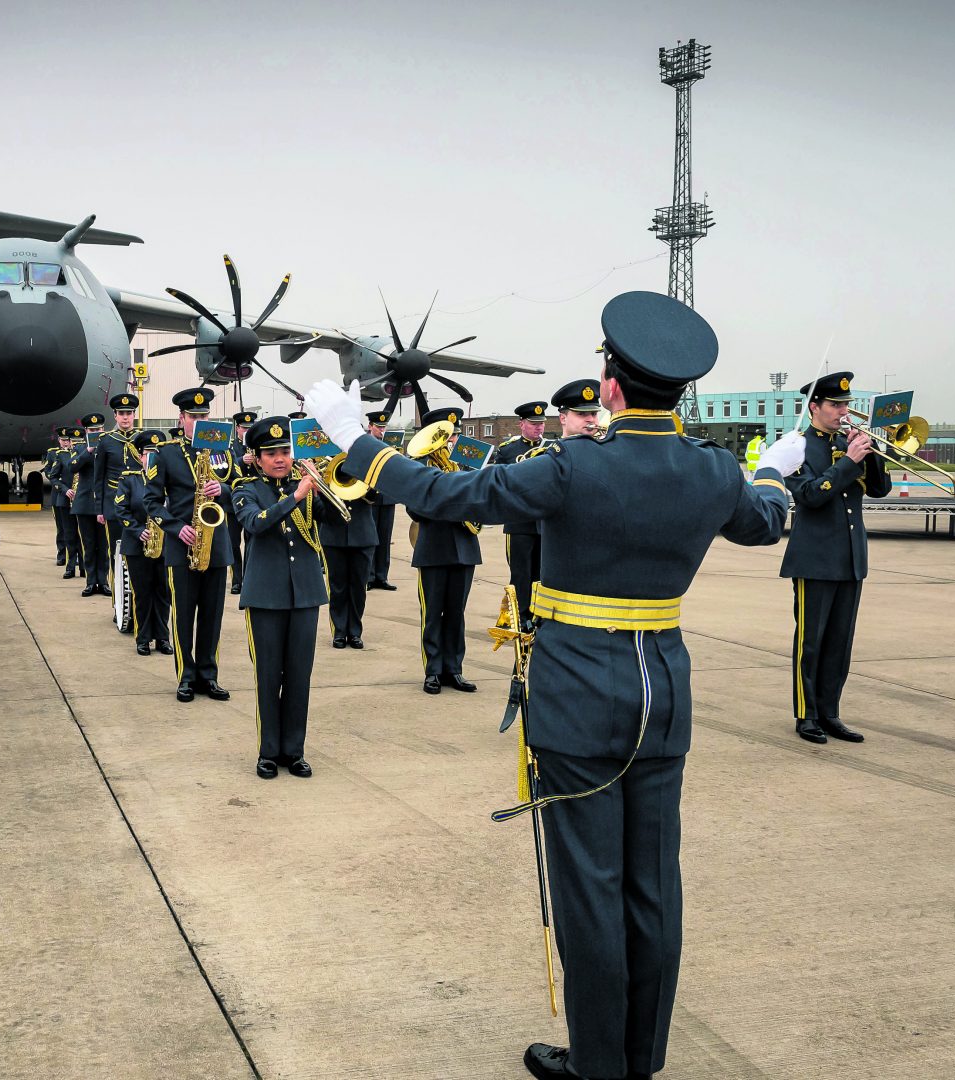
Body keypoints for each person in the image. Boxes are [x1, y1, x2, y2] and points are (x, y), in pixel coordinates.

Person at [305, 290, 798, 1080]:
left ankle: (599, 1063)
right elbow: (766, 517)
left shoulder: (570, 467)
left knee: (591, 888)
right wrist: (772, 469)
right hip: (664, 692)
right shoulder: (711, 470)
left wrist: (347, 436)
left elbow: (436, 494)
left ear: (610, 385)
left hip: (578, 697)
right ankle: (642, 1056)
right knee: (653, 884)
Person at [781, 371, 891, 745]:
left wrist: (874, 455)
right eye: (835, 405)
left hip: (849, 556)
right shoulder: (795, 446)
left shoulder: (852, 441)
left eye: (846, 404)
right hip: (814, 557)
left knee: (840, 642)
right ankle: (806, 714)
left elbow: (879, 490)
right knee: (810, 642)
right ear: (815, 406)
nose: (844, 411)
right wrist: (847, 461)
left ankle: (830, 712)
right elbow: (810, 494)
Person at [231, 417, 327, 778]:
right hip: (266, 596)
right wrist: (298, 495)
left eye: (285, 451)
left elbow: (334, 518)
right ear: (256, 458)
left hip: (304, 594)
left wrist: (323, 486)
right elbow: (255, 523)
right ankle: (268, 751)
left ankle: (294, 751)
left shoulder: (302, 484)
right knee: (269, 676)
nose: (280, 459)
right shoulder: (245, 488)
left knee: (300, 677)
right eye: (271, 453)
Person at [143, 387, 235, 703]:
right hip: (182, 545)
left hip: (217, 545)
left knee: (212, 616)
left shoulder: (223, 451)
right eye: (193, 417)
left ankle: (209, 676)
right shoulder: (166, 453)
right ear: (181, 418)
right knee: (183, 616)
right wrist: (175, 527)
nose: (199, 421)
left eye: (204, 416)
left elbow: (238, 491)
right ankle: (186, 676)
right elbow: (151, 501)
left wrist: (221, 488)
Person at [407, 407, 481, 694]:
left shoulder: (465, 465)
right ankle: (433, 670)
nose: (452, 443)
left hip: (464, 547)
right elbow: (414, 509)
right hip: (434, 547)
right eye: (447, 438)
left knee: (456, 613)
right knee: (432, 612)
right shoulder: (419, 465)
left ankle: (454, 668)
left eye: (455, 437)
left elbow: (481, 500)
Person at [491, 400, 551, 625]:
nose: (539, 428)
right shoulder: (509, 451)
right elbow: (498, 483)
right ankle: (518, 616)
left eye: (542, 424)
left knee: (540, 573)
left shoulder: (551, 448)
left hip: (542, 521)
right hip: (518, 522)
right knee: (520, 573)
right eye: (534, 423)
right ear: (521, 424)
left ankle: (536, 615)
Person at [114, 429, 173, 656]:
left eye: (157, 452)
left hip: (166, 544)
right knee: (142, 593)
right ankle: (143, 638)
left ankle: (162, 637)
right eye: (149, 452)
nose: (153, 457)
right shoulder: (130, 479)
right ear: (140, 456)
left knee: (163, 593)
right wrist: (138, 530)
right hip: (138, 545)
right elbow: (121, 509)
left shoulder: (169, 480)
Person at [316, 448, 377, 650]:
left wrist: (369, 482)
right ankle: (339, 631)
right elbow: (320, 502)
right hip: (334, 534)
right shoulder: (327, 464)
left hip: (362, 534)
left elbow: (378, 498)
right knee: (338, 585)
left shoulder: (369, 464)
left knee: (359, 587)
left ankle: (355, 631)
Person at [94, 393, 140, 586]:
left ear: (134, 415)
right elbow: (99, 477)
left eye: (129, 413)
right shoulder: (106, 441)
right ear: (115, 415)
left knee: (138, 556)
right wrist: (99, 509)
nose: (125, 417)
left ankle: (135, 602)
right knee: (116, 554)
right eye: (121, 413)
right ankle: (119, 604)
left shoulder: (142, 438)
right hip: (113, 507)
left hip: (138, 506)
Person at [71, 412, 111, 597]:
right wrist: (87, 453)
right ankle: (90, 581)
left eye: (99, 429)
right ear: (86, 431)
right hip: (85, 503)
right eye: (92, 430)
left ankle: (103, 581)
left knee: (103, 545)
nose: (96, 432)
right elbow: (72, 467)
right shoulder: (80, 448)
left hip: (103, 503)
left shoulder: (109, 445)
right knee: (88, 544)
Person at [364, 409, 399, 590]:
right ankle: (369, 576)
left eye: (384, 427)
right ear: (370, 426)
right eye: (379, 427)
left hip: (387, 497)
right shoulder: (365, 445)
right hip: (370, 497)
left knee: (385, 539)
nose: (382, 431)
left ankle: (381, 576)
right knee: (371, 538)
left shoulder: (391, 445)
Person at [226, 410, 258, 595]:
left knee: (252, 541)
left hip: (254, 499)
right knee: (233, 542)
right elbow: (224, 468)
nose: (247, 431)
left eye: (250, 428)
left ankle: (249, 578)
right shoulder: (231, 448)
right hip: (234, 499)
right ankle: (237, 580)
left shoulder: (258, 446)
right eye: (244, 428)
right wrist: (241, 460)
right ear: (237, 428)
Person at [46, 426, 82, 577]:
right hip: (60, 496)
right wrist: (62, 486)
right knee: (64, 530)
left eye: (69, 440)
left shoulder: (82, 454)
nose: (67, 443)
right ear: (59, 440)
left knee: (80, 533)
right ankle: (64, 556)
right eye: (64, 440)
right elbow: (50, 472)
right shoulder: (55, 454)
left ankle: (83, 563)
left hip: (80, 499)